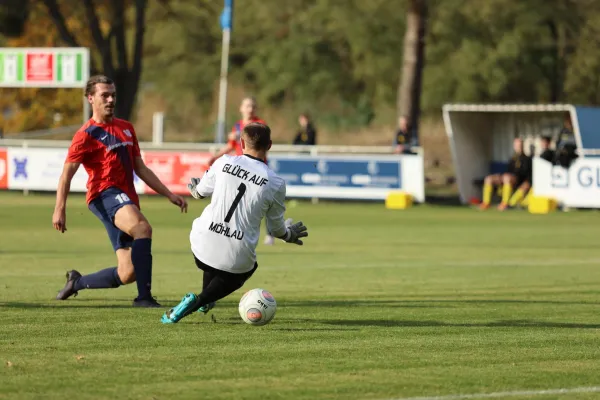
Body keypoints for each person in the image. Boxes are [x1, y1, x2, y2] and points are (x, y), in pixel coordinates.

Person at [53, 75, 188, 308]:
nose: (110, 99)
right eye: (104, 95)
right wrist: (59, 209)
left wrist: (169, 194)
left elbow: (141, 168)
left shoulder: (126, 128)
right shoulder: (85, 135)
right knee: (143, 228)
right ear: (90, 99)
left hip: (124, 197)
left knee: (128, 272)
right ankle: (144, 298)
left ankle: (76, 282)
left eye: (113, 94)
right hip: (104, 195)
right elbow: (66, 175)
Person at [161, 123, 308, 324]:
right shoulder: (275, 183)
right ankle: (199, 300)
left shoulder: (224, 162)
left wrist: (195, 188)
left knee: (215, 252)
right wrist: (289, 235)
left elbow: (199, 192)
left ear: (241, 143)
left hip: (200, 244)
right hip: (235, 255)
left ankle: (205, 301)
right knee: (245, 269)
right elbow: (275, 228)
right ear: (270, 145)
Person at [208, 97, 275, 245]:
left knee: (263, 201)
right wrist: (216, 157)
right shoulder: (238, 126)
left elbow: (263, 147)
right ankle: (231, 232)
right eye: (247, 106)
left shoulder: (260, 125)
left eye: (252, 106)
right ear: (241, 108)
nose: (250, 109)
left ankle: (270, 233)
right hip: (240, 170)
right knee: (235, 200)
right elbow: (231, 145)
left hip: (257, 168)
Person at [480, 137, 532, 211]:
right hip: (507, 177)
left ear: (522, 145)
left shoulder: (527, 159)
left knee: (507, 178)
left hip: (518, 180)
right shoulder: (513, 158)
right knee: (488, 178)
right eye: (516, 145)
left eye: (519, 145)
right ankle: (486, 203)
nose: (518, 147)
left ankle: (505, 203)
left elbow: (526, 174)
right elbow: (508, 170)